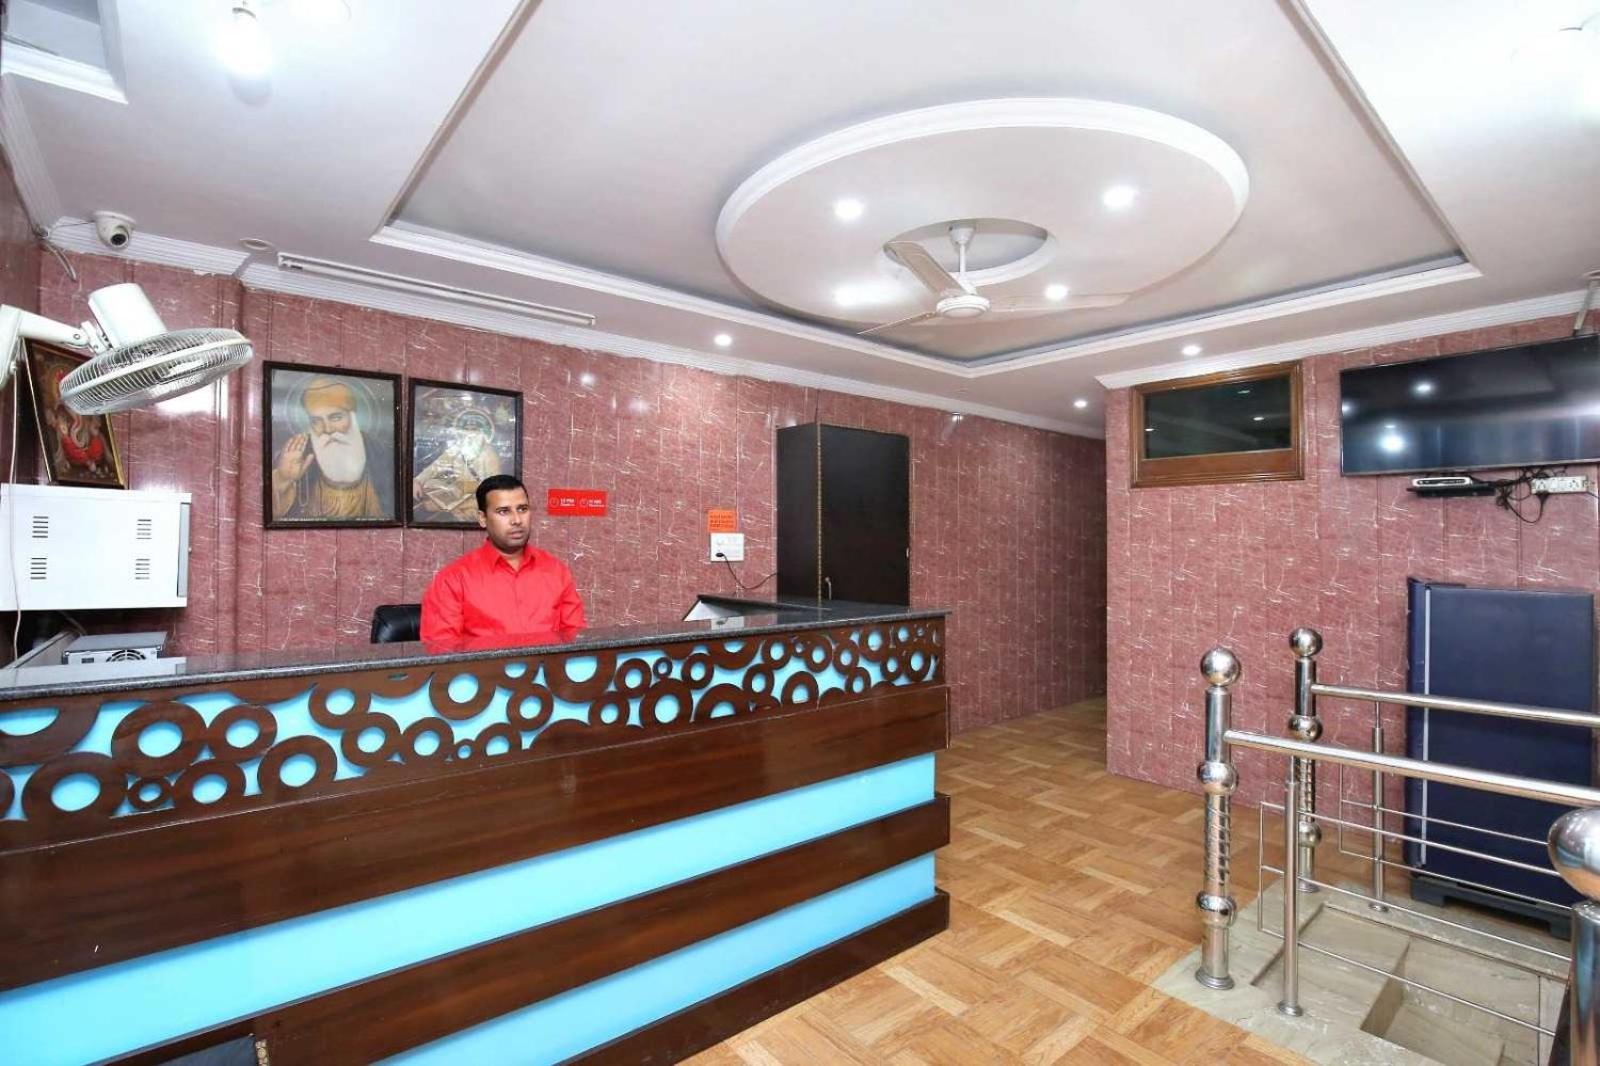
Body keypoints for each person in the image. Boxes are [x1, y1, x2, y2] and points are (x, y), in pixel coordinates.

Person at [420, 474, 586, 644]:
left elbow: (576, 640)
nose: (517, 520)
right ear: (482, 518)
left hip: (550, 662)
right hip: (487, 663)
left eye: (522, 509)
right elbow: (441, 650)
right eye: (503, 511)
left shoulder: (556, 571)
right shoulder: (452, 580)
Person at [271, 378, 392, 521]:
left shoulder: (382, 454)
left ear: (352, 417)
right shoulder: (297, 455)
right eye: (317, 421)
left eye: (336, 418)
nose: (327, 429)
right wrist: (284, 479)